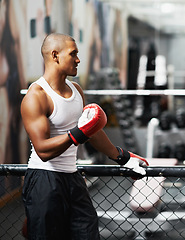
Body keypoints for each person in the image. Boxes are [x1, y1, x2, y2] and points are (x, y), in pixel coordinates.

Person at [21, 33, 149, 240]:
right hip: (45, 179)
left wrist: (123, 158)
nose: (78, 60)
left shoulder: (76, 90)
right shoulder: (36, 95)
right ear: (55, 55)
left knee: (88, 233)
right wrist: (79, 133)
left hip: (73, 177)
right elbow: (43, 150)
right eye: (73, 54)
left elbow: (91, 132)